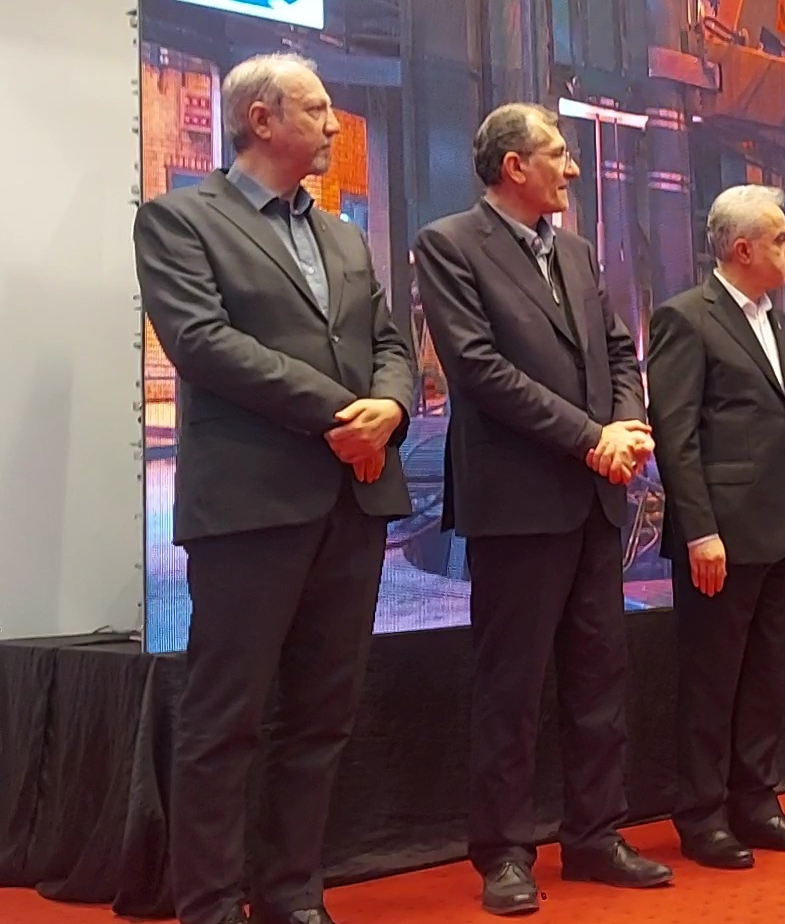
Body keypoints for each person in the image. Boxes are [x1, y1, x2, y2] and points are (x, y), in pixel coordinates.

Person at [135, 52, 415, 924]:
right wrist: (345, 414)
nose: (334, 124)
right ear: (261, 119)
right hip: (250, 507)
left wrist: (392, 409)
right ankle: (211, 905)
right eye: (318, 108)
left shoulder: (342, 236)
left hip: (352, 503)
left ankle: (291, 894)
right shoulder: (180, 221)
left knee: (323, 716)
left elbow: (390, 343)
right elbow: (203, 343)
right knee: (224, 720)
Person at [412, 103, 670, 915]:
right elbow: (479, 370)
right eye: (558, 153)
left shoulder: (577, 250)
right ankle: (504, 854)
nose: (573, 167)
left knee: (599, 679)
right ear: (513, 167)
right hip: (517, 505)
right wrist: (592, 438)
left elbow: (621, 350)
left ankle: (595, 836)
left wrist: (626, 425)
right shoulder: (450, 244)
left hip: (594, 501)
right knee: (511, 689)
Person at [647, 184, 785, 868]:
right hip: (720, 537)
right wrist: (699, 531)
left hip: (780, 531)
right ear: (743, 249)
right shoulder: (685, 317)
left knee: (766, 677)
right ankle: (702, 816)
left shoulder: (777, 322)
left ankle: (757, 803)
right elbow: (676, 435)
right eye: (781, 240)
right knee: (711, 681)